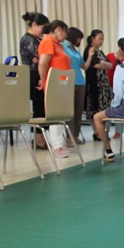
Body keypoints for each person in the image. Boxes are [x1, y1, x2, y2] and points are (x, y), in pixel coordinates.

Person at [92, 36, 124, 161]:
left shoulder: (122, 66)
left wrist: (113, 106)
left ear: (123, 50)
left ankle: (108, 151)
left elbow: (118, 93)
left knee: (97, 117)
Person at [37, 19, 71, 158]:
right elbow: (43, 63)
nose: (65, 36)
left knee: (61, 115)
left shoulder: (58, 44)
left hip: (61, 85)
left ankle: (60, 144)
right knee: (55, 115)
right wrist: (44, 80)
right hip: (53, 85)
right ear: (58, 29)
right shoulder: (48, 42)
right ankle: (57, 145)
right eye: (65, 32)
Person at [19, 11, 49, 150]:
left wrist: (39, 59)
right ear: (35, 25)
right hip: (33, 75)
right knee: (38, 107)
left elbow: (40, 58)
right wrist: (39, 59)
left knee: (42, 107)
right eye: (43, 27)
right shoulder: (28, 39)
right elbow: (40, 55)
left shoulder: (37, 39)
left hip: (39, 72)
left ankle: (41, 137)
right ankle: (38, 139)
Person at [83, 29, 113, 134]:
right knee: (94, 108)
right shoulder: (89, 51)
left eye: (103, 39)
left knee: (103, 108)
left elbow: (110, 65)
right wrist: (104, 64)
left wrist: (103, 64)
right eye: (99, 39)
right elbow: (96, 65)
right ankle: (97, 132)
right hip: (94, 84)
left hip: (103, 85)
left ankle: (102, 132)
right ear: (92, 39)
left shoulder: (100, 52)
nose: (101, 41)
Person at [62, 26, 87, 143]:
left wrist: (91, 55)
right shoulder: (63, 47)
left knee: (78, 111)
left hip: (80, 82)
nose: (80, 42)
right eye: (79, 39)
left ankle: (75, 136)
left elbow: (84, 66)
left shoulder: (75, 51)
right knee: (70, 112)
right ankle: (69, 137)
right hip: (69, 82)